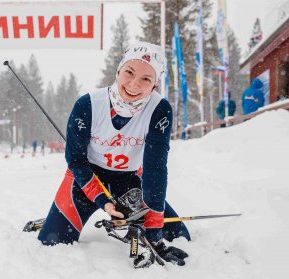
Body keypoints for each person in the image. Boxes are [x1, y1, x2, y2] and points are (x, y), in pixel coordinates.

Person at [37, 41, 190, 266]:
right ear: (119, 70)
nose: (134, 84)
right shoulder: (88, 104)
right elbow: (76, 160)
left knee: (179, 236)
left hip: (128, 180)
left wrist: (154, 232)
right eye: (129, 72)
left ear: (155, 85)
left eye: (146, 79)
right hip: (86, 178)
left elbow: (155, 169)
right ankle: (51, 219)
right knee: (52, 242)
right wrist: (102, 200)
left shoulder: (160, 110)